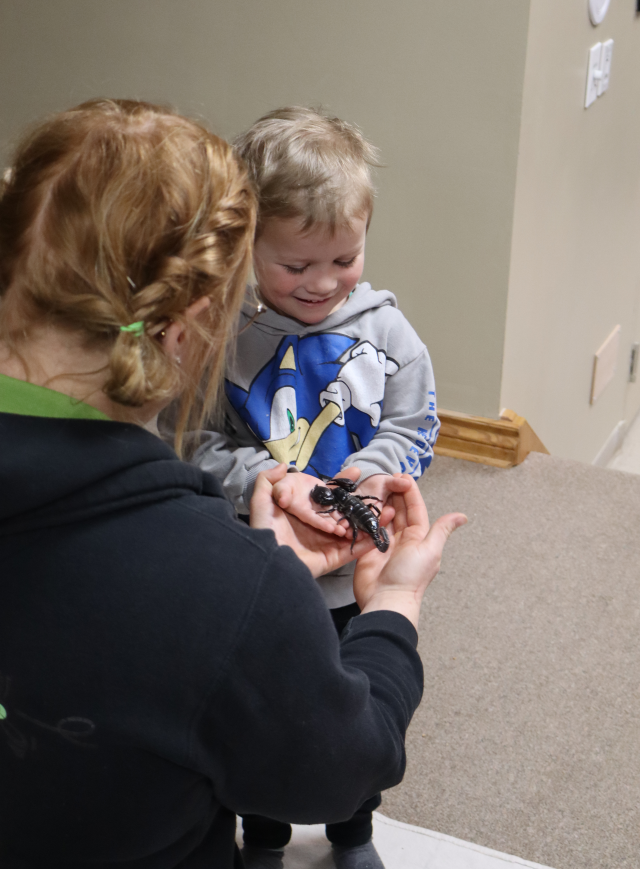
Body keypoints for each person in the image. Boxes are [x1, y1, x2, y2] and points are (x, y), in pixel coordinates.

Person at [0, 99, 465, 869]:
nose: (322, 282)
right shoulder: (231, 591)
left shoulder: (389, 335)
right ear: (189, 331)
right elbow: (344, 760)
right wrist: (397, 604)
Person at [191, 107, 441, 868]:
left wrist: (366, 475)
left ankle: (352, 830)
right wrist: (267, 479)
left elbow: (415, 425)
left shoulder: (389, 334)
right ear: (246, 245)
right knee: (254, 715)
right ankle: (260, 834)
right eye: (295, 266)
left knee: (349, 710)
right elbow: (193, 445)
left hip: (353, 577)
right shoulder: (216, 337)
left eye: (344, 257)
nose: (323, 283)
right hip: (254, 568)